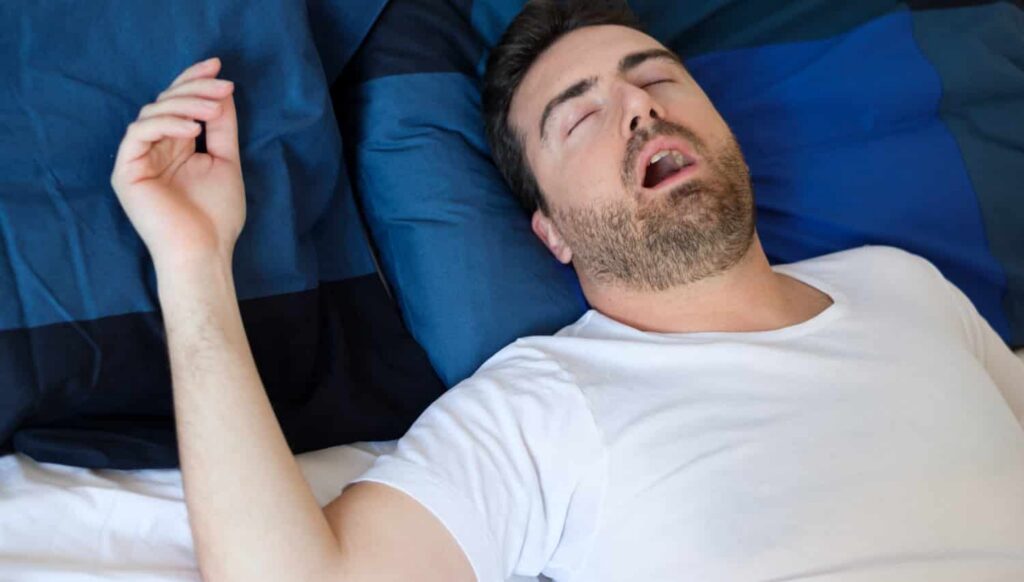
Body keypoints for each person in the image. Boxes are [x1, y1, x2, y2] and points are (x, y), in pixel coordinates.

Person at [110, 1, 1024, 580]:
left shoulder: (904, 285)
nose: (641, 107)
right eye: (581, 115)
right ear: (547, 229)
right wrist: (193, 265)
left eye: (658, 78)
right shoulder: (542, 409)